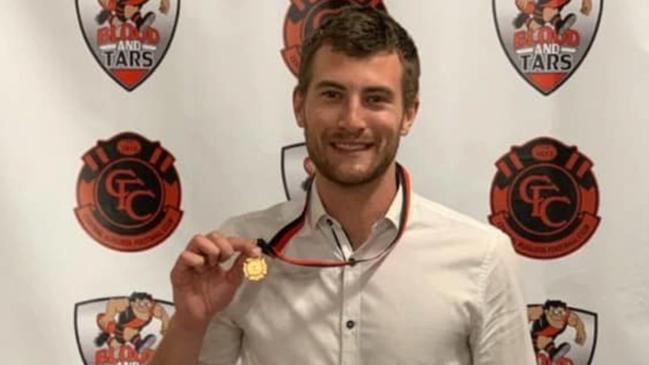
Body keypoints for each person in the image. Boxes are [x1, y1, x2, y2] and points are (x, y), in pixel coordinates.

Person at [151, 5, 536, 365]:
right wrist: (189, 322)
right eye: (333, 95)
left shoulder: (482, 257)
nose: (352, 120)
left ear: (409, 114)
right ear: (300, 106)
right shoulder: (242, 251)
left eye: (376, 99)